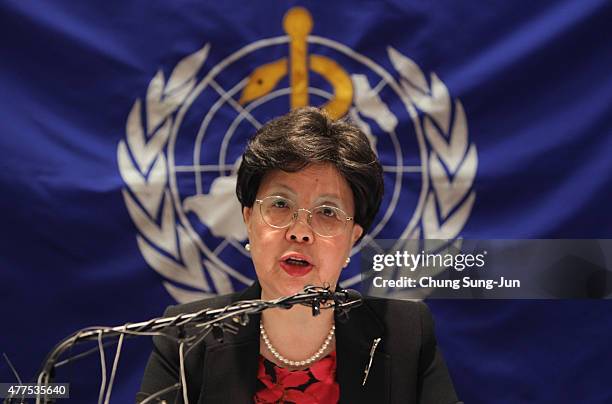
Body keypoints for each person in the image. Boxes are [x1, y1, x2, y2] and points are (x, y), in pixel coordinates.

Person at [137, 107, 460, 403]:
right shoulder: (187, 338)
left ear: (352, 239)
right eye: (280, 205)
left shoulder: (405, 334)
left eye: (327, 212)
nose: (300, 231)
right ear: (249, 219)